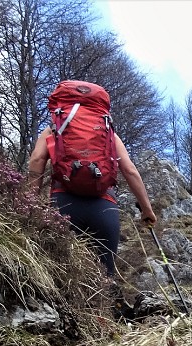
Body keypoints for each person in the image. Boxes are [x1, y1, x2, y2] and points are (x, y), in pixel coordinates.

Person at [26, 91, 157, 281]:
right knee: (105, 277)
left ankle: (63, 310)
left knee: (60, 274)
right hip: (104, 207)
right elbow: (130, 170)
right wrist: (147, 210)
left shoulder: (54, 129)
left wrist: (30, 202)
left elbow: (37, 159)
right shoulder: (108, 133)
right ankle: (104, 310)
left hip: (63, 204)